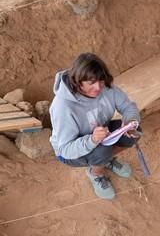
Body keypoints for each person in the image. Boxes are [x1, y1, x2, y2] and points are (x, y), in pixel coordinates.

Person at [49, 53, 141, 200]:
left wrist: (130, 122)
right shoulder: (62, 106)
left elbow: (128, 107)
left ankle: (105, 161)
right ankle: (96, 173)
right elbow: (65, 150)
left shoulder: (106, 88)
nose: (98, 87)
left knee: (134, 133)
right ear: (77, 81)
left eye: (101, 81)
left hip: (101, 135)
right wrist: (92, 140)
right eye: (91, 83)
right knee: (102, 150)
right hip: (69, 151)